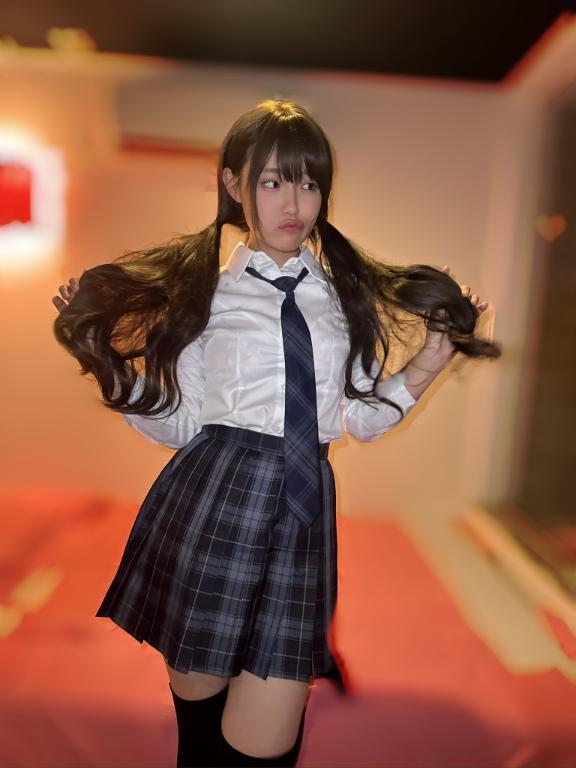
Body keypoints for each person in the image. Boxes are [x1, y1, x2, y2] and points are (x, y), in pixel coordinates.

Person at [52, 99, 500, 767]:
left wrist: (430, 363)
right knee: (201, 738)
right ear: (233, 185)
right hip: (213, 503)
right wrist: (106, 366)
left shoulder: (345, 298)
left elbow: (358, 418)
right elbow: (180, 422)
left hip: (302, 515)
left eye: (309, 183)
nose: (294, 203)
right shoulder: (202, 295)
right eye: (272, 181)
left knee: (265, 746)